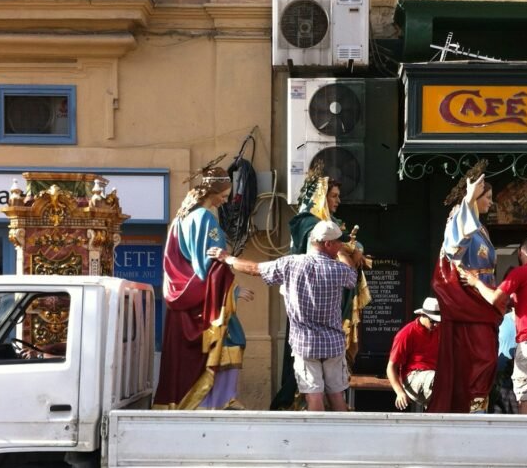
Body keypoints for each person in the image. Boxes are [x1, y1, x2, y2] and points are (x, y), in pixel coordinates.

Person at [209, 220, 357, 411]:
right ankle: (341, 430)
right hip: (333, 344)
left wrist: (227, 258)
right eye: (338, 242)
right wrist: (343, 254)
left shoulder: (290, 264)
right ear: (327, 244)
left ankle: (317, 430)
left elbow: (254, 269)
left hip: (305, 344)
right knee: (336, 395)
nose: (340, 246)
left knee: (313, 395)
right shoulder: (338, 270)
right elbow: (352, 275)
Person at [153, 165, 254, 410]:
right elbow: (209, 263)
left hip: (184, 296)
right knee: (233, 339)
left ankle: (204, 400)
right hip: (205, 299)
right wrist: (233, 291)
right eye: (224, 195)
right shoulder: (205, 218)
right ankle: (220, 399)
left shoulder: (180, 219)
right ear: (214, 191)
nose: (225, 201)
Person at [271, 169, 371, 409]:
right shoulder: (310, 224)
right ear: (319, 198)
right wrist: (350, 251)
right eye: (333, 196)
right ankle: (310, 409)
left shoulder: (329, 224)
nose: (338, 200)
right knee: (317, 387)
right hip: (313, 310)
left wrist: (354, 248)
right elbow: (332, 251)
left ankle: (327, 413)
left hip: (330, 309)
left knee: (331, 386)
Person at [428, 161, 504, 413]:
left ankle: (477, 406)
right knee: (482, 358)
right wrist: (468, 201)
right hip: (469, 301)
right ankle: (472, 408)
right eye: (487, 197)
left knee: (486, 358)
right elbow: (453, 248)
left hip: (482, 300)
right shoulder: (459, 220)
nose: (490, 202)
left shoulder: (480, 227)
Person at [462, 237, 527, 415]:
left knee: (526, 396)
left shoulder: (521, 272)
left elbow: (494, 299)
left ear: (520, 252)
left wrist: (475, 282)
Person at [386, 297, 441, 410]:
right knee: (437, 380)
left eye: (438, 321)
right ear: (423, 315)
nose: (436, 325)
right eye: (433, 321)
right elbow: (390, 367)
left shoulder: (439, 330)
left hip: (434, 375)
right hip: (413, 376)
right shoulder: (406, 333)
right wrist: (399, 392)